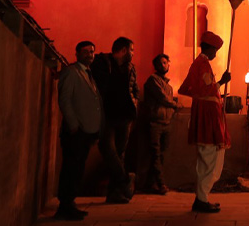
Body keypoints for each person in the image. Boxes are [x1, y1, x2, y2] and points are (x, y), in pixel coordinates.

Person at [178, 31, 231, 213]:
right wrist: (221, 82)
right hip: (206, 117)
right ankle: (201, 199)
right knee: (208, 159)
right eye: (215, 50)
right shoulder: (200, 64)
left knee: (210, 159)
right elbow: (204, 90)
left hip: (210, 116)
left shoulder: (203, 64)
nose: (216, 53)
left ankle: (203, 197)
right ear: (208, 48)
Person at [55, 40, 102, 220]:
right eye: (85, 52)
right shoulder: (71, 72)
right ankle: (65, 204)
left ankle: (70, 202)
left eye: (91, 52)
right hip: (75, 131)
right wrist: (73, 125)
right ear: (77, 53)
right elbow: (65, 99)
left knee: (77, 168)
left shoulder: (89, 74)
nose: (89, 55)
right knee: (71, 167)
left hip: (85, 130)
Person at [91, 37, 139, 203]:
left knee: (119, 153)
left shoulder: (131, 68)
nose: (133, 53)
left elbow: (135, 90)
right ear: (124, 50)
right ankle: (125, 178)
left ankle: (114, 193)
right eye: (132, 50)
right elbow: (97, 88)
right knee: (107, 149)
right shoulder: (102, 63)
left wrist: (134, 104)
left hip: (125, 117)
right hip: (107, 116)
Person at [143, 52, 179, 194]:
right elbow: (163, 98)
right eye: (160, 63)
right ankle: (160, 184)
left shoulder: (168, 85)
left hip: (166, 123)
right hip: (155, 123)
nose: (163, 65)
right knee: (156, 153)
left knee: (160, 154)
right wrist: (175, 105)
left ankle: (152, 184)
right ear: (155, 66)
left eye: (165, 62)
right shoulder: (153, 80)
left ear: (169, 64)